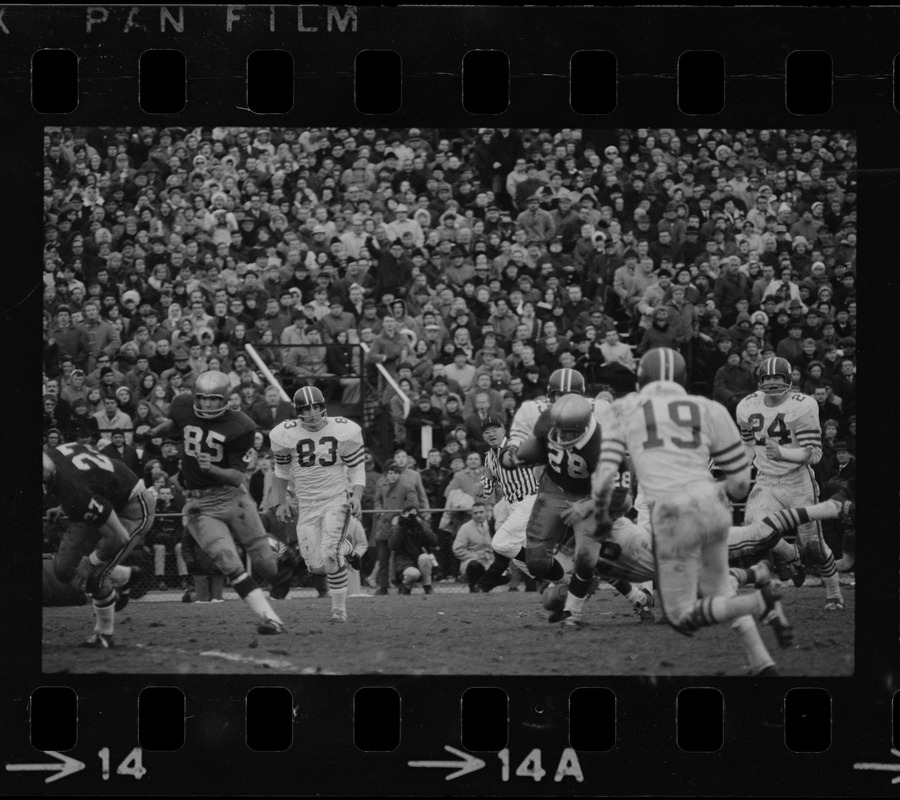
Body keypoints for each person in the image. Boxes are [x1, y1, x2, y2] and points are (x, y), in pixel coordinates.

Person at [591, 348, 792, 675]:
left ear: (641, 377)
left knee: (681, 615)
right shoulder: (708, 407)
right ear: (683, 378)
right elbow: (741, 484)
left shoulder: (623, 408)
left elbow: (605, 473)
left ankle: (760, 602)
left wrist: (601, 516)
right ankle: (760, 659)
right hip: (713, 505)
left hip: (671, 513)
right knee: (719, 591)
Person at [148, 371, 285, 634]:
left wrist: (212, 469)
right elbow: (177, 426)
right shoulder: (183, 405)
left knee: (267, 566)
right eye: (203, 399)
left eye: (213, 399)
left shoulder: (241, 425)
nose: (207, 404)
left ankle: (283, 554)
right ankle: (270, 618)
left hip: (233, 497)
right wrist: (154, 431)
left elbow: (237, 476)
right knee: (228, 561)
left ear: (225, 399)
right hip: (201, 505)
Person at [736, 357, 844, 610]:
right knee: (755, 529)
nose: (772, 383)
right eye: (767, 378)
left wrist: (783, 453)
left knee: (814, 546)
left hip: (798, 481)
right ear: (760, 381)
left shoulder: (803, 405)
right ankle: (791, 555)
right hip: (766, 481)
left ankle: (834, 594)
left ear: (788, 381)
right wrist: (733, 465)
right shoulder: (747, 405)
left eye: (778, 378)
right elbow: (748, 444)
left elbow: (814, 454)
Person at [268, 385, 367, 623]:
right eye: (306, 408)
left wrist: (356, 496)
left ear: (323, 406)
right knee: (316, 565)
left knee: (330, 554)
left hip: (336, 499)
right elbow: (280, 472)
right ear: (297, 411)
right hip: (307, 504)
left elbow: (356, 468)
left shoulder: (345, 430)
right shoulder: (284, 434)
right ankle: (347, 549)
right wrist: (279, 503)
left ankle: (338, 610)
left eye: (316, 407)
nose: (312, 413)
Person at [42, 442, 155, 648]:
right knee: (63, 569)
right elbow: (91, 478)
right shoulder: (52, 454)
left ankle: (104, 633)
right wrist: (64, 506)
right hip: (102, 500)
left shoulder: (75, 490)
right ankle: (124, 576)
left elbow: (119, 537)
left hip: (132, 507)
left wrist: (92, 560)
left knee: (95, 574)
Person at [476, 415, 539, 592]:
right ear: (483, 437)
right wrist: (481, 488)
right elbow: (488, 487)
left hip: (529, 499)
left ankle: (549, 576)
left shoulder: (516, 445)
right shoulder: (489, 456)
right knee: (518, 555)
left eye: (494, 429)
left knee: (500, 543)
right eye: (486, 432)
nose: (490, 434)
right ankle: (553, 580)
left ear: (503, 430)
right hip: (512, 506)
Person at [389, 506, 438, 594]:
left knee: (425, 558)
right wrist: (401, 527)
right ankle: (406, 587)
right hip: (403, 561)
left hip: (419, 558)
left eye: (413, 516)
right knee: (412, 574)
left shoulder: (421, 526)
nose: (410, 519)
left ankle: (427, 586)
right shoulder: (398, 527)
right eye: (408, 516)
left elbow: (433, 540)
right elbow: (393, 545)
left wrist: (420, 525)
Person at [452, 501, 496, 591]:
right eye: (475, 513)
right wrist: (475, 556)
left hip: (490, 560)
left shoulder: (493, 526)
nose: (478, 515)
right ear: (471, 514)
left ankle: (487, 590)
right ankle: (473, 590)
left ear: (486, 512)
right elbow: (457, 549)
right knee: (474, 565)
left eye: (481, 512)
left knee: (505, 573)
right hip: (471, 561)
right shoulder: (465, 528)